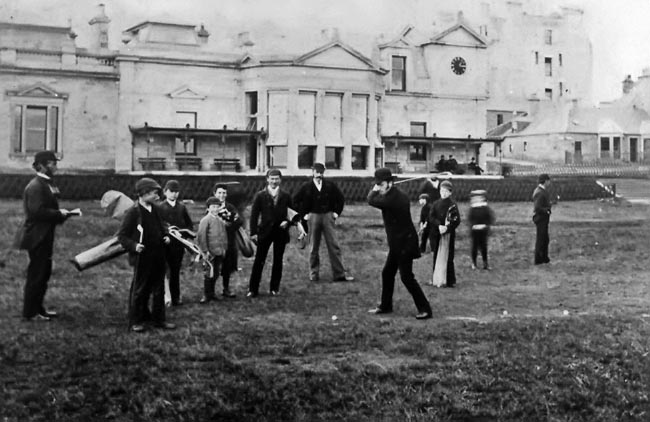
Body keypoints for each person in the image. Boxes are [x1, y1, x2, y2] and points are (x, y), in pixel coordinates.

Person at [15, 150, 75, 321]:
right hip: (37, 236)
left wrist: (61, 214)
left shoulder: (45, 183)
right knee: (38, 273)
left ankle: (38, 309)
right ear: (41, 165)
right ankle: (31, 312)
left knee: (43, 273)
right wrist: (60, 214)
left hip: (43, 234)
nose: (55, 166)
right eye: (52, 163)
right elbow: (36, 212)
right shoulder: (36, 186)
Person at [367, 167, 432, 320]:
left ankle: (426, 309)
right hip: (397, 244)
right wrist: (380, 188)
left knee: (407, 277)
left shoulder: (394, 198)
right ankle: (386, 305)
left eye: (380, 184)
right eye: (378, 184)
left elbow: (371, 199)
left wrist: (374, 189)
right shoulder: (392, 194)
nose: (379, 187)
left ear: (389, 183)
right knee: (387, 273)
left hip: (405, 243)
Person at [118, 177, 175, 333]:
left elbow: (162, 226)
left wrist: (165, 235)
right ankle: (136, 320)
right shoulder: (133, 212)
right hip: (143, 256)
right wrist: (134, 245)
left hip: (158, 254)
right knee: (140, 288)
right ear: (143, 194)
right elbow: (122, 236)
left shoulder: (156, 209)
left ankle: (159, 319)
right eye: (153, 193)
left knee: (159, 288)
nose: (157, 196)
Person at [293, 162, 354, 282]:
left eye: (321, 172)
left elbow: (340, 199)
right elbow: (295, 201)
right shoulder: (306, 187)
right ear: (312, 172)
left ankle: (339, 274)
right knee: (313, 246)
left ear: (323, 173)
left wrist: (336, 213)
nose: (319, 174)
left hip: (328, 217)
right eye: (317, 172)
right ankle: (314, 274)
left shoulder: (330, 185)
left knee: (334, 245)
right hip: (313, 217)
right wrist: (304, 215)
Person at [247, 168, 299, 297]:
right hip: (264, 232)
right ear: (267, 180)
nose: (274, 181)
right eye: (272, 179)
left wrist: (287, 222)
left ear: (280, 180)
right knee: (259, 260)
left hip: (280, 232)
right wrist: (253, 233)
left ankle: (274, 288)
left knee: (278, 260)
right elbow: (254, 215)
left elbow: (293, 214)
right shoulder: (260, 195)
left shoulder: (286, 196)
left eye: (276, 179)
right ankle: (253, 289)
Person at [158, 180, 194, 306]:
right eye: (171, 191)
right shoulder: (160, 208)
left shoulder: (182, 207)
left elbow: (189, 225)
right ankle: (164, 296)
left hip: (178, 246)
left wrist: (184, 235)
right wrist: (166, 235)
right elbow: (158, 226)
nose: (174, 194)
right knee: (163, 271)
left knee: (175, 271)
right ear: (165, 192)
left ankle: (176, 296)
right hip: (165, 244)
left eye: (176, 192)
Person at [196, 197, 230, 303]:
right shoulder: (205, 220)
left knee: (215, 273)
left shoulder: (220, 220)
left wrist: (224, 248)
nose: (215, 209)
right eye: (213, 207)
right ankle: (206, 295)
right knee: (208, 273)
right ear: (208, 208)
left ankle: (212, 293)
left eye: (217, 207)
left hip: (219, 251)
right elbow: (201, 237)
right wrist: (205, 251)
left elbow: (224, 236)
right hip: (210, 252)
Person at [213, 183, 243, 298]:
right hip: (215, 241)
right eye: (219, 193)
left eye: (224, 193)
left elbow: (238, 221)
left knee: (227, 266)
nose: (222, 195)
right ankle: (210, 291)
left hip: (229, 240)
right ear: (215, 194)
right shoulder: (211, 206)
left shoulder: (230, 207)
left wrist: (229, 224)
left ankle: (226, 288)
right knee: (214, 266)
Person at [429, 180, 461, 288]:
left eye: (446, 191)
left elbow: (456, 220)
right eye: (442, 190)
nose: (444, 193)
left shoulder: (452, 205)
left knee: (449, 256)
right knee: (436, 255)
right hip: (437, 234)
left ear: (450, 193)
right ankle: (437, 278)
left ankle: (449, 280)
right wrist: (439, 225)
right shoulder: (436, 204)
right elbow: (431, 217)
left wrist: (447, 228)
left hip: (448, 234)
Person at [467, 190, 496, 270]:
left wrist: (486, 225)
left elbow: (490, 218)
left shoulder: (485, 208)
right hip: (475, 230)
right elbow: (470, 219)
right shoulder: (472, 209)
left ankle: (485, 263)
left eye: (480, 198)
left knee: (484, 247)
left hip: (483, 230)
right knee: (474, 247)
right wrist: (474, 225)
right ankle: (474, 263)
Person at [533, 173, 552, 265]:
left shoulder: (540, 191)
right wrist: (547, 210)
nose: (549, 182)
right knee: (541, 239)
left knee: (544, 239)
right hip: (541, 218)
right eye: (548, 180)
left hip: (541, 218)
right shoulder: (540, 192)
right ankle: (539, 259)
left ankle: (543, 258)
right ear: (545, 181)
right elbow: (538, 207)